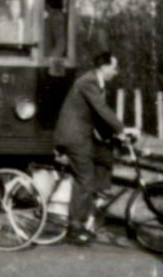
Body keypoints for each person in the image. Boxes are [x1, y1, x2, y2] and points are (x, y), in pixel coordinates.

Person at [53, 51, 133, 244]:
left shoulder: (94, 83)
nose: (116, 72)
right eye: (114, 68)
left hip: (79, 135)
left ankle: (93, 211)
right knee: (85, 178)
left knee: (102, 161)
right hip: (74, 137)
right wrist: (122, 129)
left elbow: (97, 117)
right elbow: (102, 110)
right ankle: (75, 227)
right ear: (103, 67)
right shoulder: (89, 82)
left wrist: (115, 136)